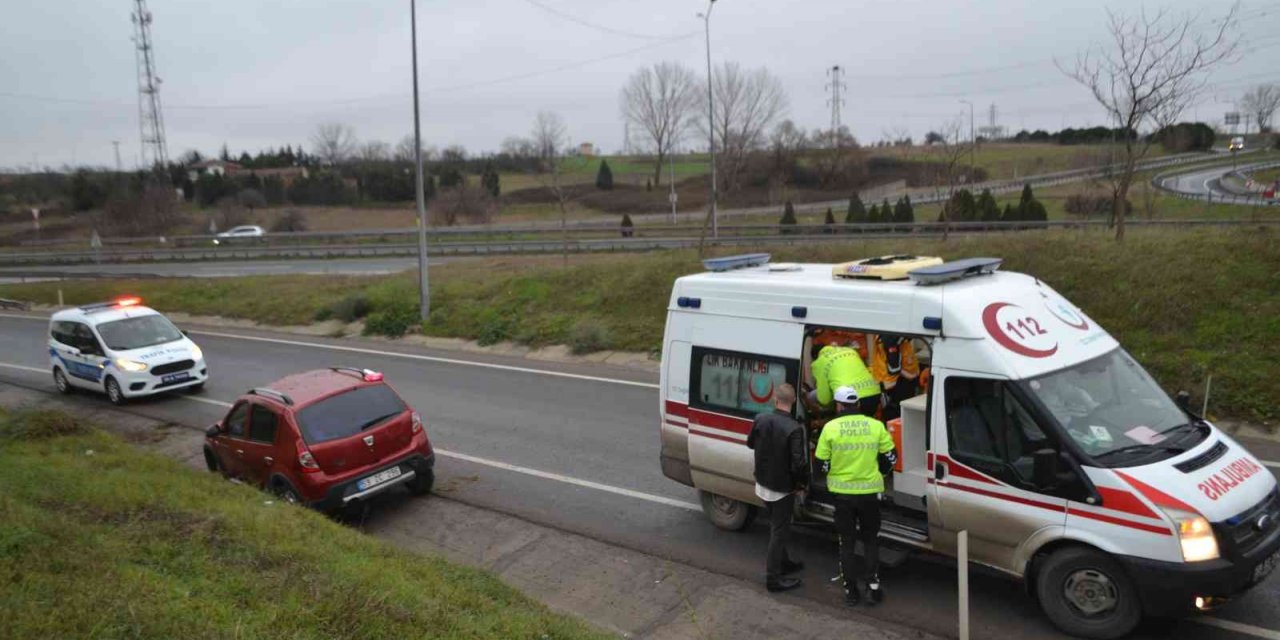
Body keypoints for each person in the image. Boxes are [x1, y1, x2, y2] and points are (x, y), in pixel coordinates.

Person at [816, 386, 898, 606]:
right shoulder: (875, 426)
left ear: (839, 405)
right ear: (858, 404)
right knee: (870, 540)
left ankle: (851, 591)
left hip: (842, 496)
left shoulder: (830, 428)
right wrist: (879, 472)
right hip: (870, 494)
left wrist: (833, 471)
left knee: (847, 543)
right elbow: (891, 457)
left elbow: (821, 464)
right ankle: (873, 587)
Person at [746, 383, 808, 593]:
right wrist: (801, 485)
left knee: (776, 525)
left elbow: (750, 444)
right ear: (793, 402)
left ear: (775, 400)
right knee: (778, 532)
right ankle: (773, 579)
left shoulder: (760, 419)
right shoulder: (794, 428)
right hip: (781, 490)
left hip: (762, 483)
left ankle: (785, 563)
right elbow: (798, 464)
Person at [810, 343, 880, 416]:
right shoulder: (850, 350)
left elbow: (824, 399)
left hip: (850, 400)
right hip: (874, 393)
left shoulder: (818, 362)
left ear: (815, 357)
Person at [870, 334, 921, 421]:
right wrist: (910, 375)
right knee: (898, 415)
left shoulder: (894, 336)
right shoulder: (891, 338)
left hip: (892, 380)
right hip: (895, 383)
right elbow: (894, 368)